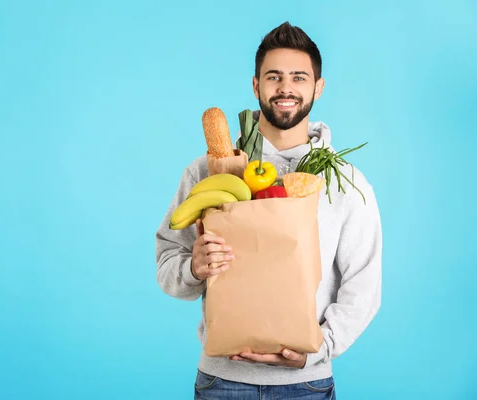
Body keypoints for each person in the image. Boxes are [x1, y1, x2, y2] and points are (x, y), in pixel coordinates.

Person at [155, 21, 382, 400]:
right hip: (220, 382)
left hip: (306, 385)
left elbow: (364, 285)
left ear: (318, 87)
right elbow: (166, 266)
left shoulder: (345, 181)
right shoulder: (207, 171)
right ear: (256, 85)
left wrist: (319, 349)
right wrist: (193, 267)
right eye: (273, 76)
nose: (285, 87)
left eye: (299, 77)